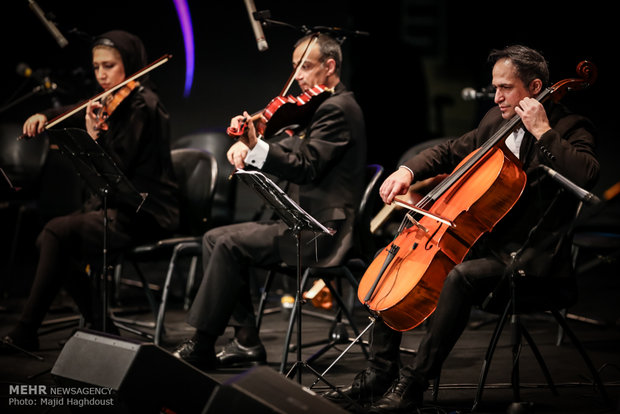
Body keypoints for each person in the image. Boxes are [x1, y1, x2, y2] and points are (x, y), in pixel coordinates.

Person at [324, 45, 598, 412]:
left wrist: (544, 131)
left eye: (505, 88)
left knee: (460, 278)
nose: (496, 96)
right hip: (484, 243)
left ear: (534, 88)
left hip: (530, 259)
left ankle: (413, 385)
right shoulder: (495, 122)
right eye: (494, 87)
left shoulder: (569, 127)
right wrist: (407, 171)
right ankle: (380, 372)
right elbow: (450, 150)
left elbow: (588, 175)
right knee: (397, 258)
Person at [172, 33, 367, 370]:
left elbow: (305, 165)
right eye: (295, 68)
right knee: (215, 237)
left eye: (306, 67)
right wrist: (253, 140)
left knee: (228, 243)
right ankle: (245, 341)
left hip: (321, 231)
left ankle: (204, 342)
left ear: (330, 66)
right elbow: (290, 152)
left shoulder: (338, 108)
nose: (299, 77)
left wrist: (255, 147)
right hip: (299, 222)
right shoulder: (317, 108)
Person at [1, 30, 178, 352]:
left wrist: (94, 139)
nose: (101, 75)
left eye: (109, 66)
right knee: (48, 239)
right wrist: (46, 115)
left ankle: (28, 330)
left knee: (56, 231)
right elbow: (77, 105)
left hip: (143, 211)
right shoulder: (110, 102)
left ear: (132, 64)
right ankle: (100, 323)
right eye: (97, 67)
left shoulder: (144, 106)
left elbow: (119, 170)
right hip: (115, 207)